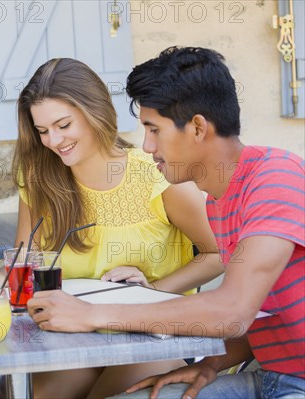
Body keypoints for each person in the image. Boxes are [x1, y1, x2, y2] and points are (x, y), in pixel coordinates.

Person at [29, 47, 305, 399]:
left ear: (198, 128)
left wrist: (92, 314)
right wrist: (213, 363)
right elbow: (266, 310)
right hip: (271, 377)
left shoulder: (275, 177)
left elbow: (232, 310)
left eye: (154, 130)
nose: (146, 146)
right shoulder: (221, 200)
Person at [13, 58, 224, 398]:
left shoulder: (156, 173)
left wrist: (152, 289)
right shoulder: (39, 180)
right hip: (75, 333)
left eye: (64, 124)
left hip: (154, 332)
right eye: (42, 131)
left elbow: (220, 253)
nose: (53, 140)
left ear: (94, 112)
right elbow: (22, 267)